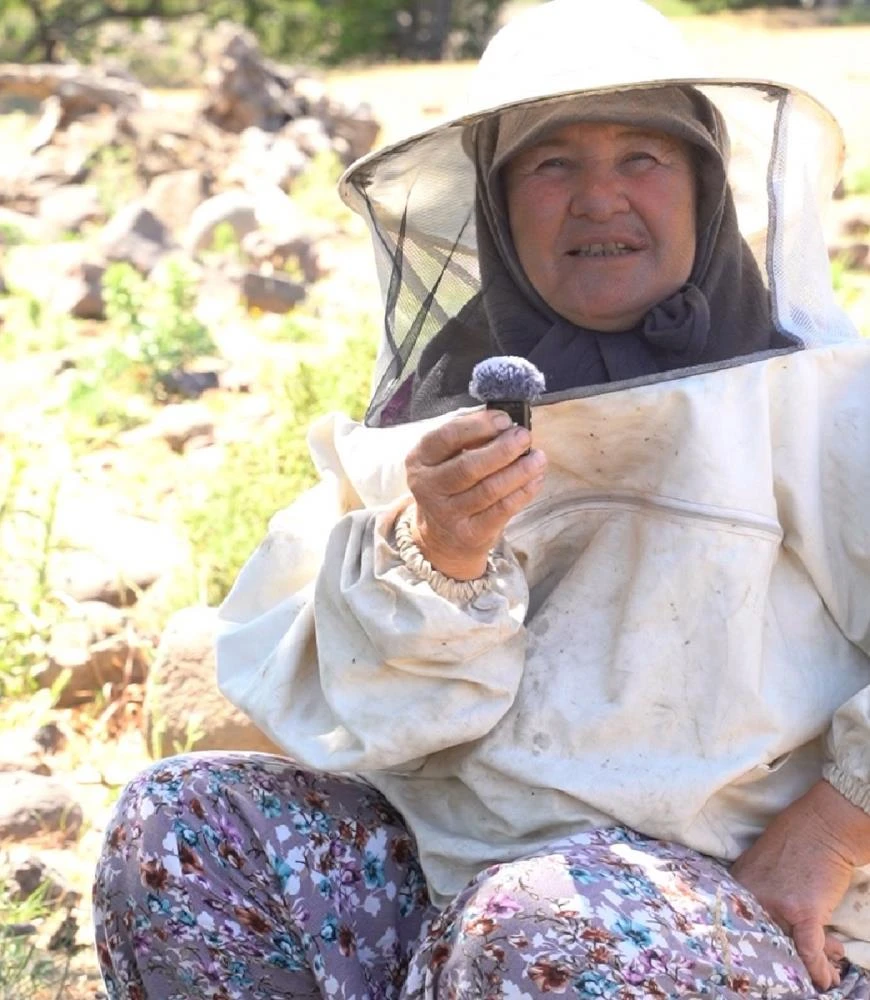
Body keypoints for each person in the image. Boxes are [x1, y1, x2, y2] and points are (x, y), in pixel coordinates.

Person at [93, 0, 870, 996]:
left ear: (706, 185)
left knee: (541, 918)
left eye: (642, 157)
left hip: (741, 920)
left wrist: (834, 829)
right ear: (495, 206)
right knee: (180, 824)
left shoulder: (823, 401)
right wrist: (438, 555)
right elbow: (364, 716)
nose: (598, 197)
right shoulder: (430, 422)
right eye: (551, 164)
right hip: (466, 900)